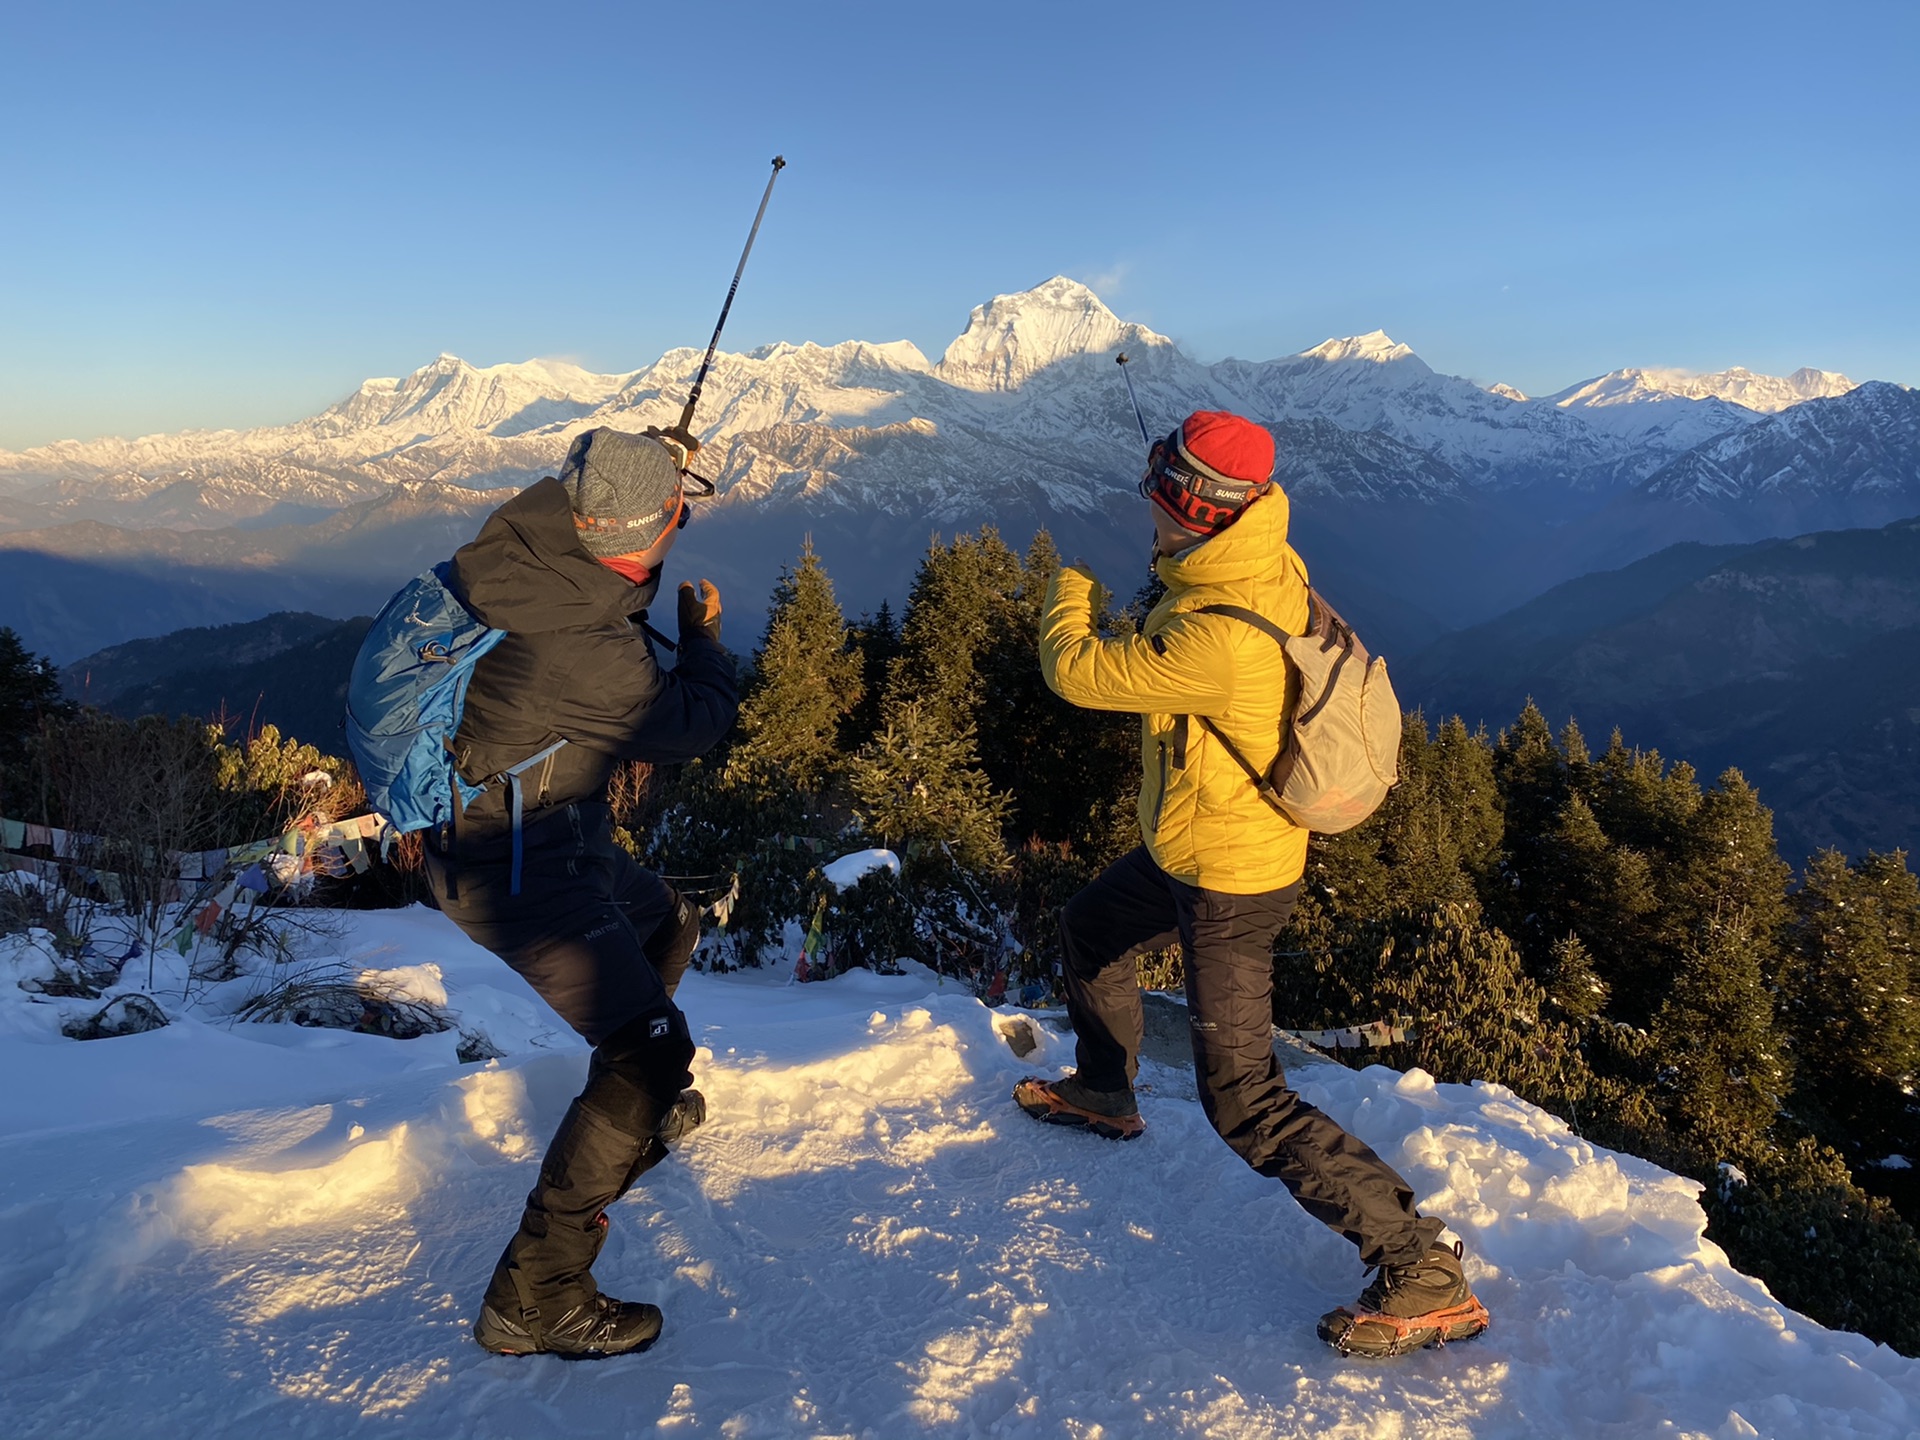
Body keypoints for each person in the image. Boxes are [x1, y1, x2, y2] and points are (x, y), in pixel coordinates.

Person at [1019, 409, 1490, 1358]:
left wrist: (1065, 589)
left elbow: (1077, 672)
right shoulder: (1256, 562)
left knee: (1241, 1096)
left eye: (1157, 502)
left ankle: (1420, 1264)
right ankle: (1105, 1091)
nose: (1145, 518)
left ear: (1194, 512)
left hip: (1232, 879)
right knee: (1091, 927)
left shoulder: (1220, 636)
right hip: (1191, 844)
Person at [421, 425, 738, 1359]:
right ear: (655, 527)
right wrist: (704, 636)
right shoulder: (588, 653)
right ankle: (539, 1293)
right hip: (518, 869)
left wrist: (651, 466)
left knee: (665, 919)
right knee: (647, 1048)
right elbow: (694, 721)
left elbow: (604, 551)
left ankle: (635, 1109)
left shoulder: (530, 552)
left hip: (544, 835)